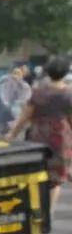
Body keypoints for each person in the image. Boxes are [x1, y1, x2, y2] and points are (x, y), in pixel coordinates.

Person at [7, 56, 72, 212]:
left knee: (37, 172)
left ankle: (34, 209)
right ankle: (47, 214)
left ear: (48, 72)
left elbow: (25, 116)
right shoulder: (69, 94)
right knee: (55, 180)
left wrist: (12, 134)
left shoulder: (38, 92)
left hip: (38, 135)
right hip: (60, 137)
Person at [0, 67, 32, 136]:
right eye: (15, 73)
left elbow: (25, 100)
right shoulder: (3, 82)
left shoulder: (24, 86)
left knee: (6, 132)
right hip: (5, 114)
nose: (15, 76)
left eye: (18, 74)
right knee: (2, 132)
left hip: (11, 114)